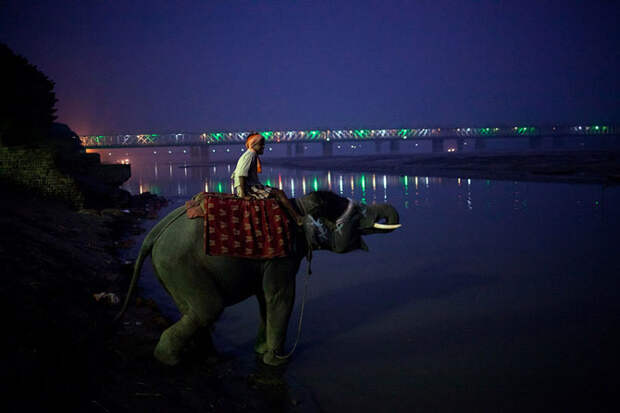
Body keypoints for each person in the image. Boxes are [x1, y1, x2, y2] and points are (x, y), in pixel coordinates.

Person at [231, 132, 304, 226]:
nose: (263, 147)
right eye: (261, 144)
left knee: (275, 192)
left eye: (263, 144)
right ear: (254, 145)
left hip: (251, 186)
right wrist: (243, 195)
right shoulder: (250, 155)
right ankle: (297, 218)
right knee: (279, 193)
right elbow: (241, 174)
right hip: (249, 189)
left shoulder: (250, 155)